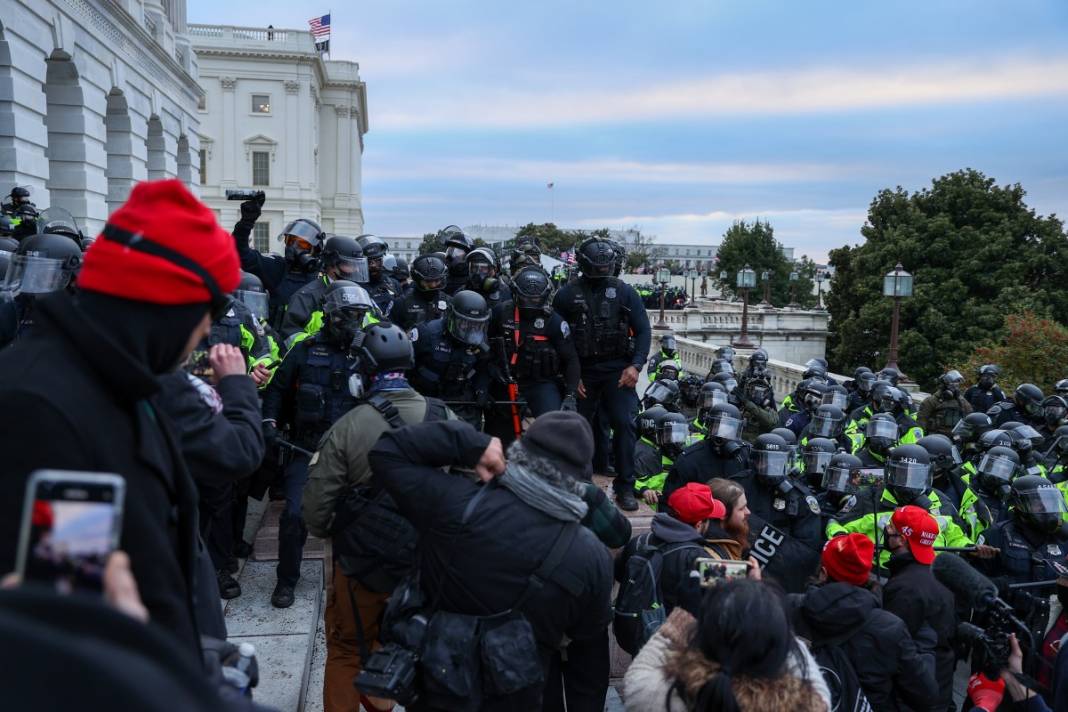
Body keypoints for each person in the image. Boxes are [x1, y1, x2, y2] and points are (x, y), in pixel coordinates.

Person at [0, 179, 240, 661]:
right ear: (174, 307)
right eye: (209, 312)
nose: (208, 331)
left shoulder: (117, 382)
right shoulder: (44, 408)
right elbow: (71, 627)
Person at [367, 413, 613, 711]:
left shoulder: (455, 504)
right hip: (520, 697)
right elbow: (587, 664)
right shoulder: (592, 557)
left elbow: (387, 452)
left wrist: (471, 443)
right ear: (580, 480)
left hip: (439, 689)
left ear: (519, 454)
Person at [301, 321, 450, 712]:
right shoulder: (444, 417)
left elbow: (316, 515)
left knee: (348, 647)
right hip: (428, 567)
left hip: (361, 568)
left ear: (363, 371)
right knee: (424, 644)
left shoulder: (346, 428)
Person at [261, 282, 368, 608]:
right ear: (332, 316)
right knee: (294, 516)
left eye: (360, 317)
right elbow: (277, 390)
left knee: (359, 514)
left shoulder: (366, 352)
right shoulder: (305, 351)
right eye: (349, 316)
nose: (355, 324)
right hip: (305, 447)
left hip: (350, 449)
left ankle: (353, 577)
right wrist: (269, 423)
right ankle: (286, 580)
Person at [157, 344, 265, 601]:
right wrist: (237, 384)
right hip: (204, 438)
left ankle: (218, 566)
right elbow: (242, 453)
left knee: (218, 508)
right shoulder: (159, 372)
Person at [624, 580, 831, 712]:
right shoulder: (808, 705)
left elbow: (640, 671)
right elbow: (802, 664)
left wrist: (685, 613)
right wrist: (769, 612)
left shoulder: (654, 697)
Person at [553, 235, 652, 511]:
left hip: (617, 370)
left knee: (625, 423)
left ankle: (625, 487)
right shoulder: (566, 295)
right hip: (581, 370)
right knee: (577, 429)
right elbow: (557, 339)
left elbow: (643, 330)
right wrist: (571, 377)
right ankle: (578, 484)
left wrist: (636, 365)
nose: (601, 272)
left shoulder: (624, 292)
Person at [790, 532, 939, 712]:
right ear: (866, 575)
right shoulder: (890, 628)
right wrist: (925, 645)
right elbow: (926, 696)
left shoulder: (789, 607)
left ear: (823, 573)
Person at [827, 444, 975, 570]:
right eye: (901, 474)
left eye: (916, 476)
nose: (908, 482)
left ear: (928, 475)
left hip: (929, 572)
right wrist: (843, 540)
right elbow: (836, 523)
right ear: (889, 473)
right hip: (881, 571)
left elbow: (956, 537)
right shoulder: (870, 496)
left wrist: (971, 549)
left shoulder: (941, 501)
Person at [486, 266, 580, 445]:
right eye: (525, 297)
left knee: (553, 427)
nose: (530, 302)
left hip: (541, 383)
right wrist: (492, 371)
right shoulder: (500, 313)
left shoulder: (554, 321)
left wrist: (570, 396)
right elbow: (485, 347)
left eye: (536, 298)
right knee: (500, 436)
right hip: (506, 381)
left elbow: (571, 360)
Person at [881, 505, 958, 710]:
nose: (886, 531)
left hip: (914, 696)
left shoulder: (905, 587)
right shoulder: (941, 576)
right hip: (940, 685)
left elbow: (893, 646)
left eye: (890, 528)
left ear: (902, 539)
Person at [617, 483, 729, 620]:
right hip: (668, 634)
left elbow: (619, 573)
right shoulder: (698, 558)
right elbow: (727, 593)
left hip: (635, 629)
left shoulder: (639, 541)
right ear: (699, 524)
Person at [230, 195, 323, 330]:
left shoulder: (325, 276)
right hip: (277, 343)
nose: (294, 248)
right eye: (290, 241)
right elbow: (240, 253)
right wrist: (246, 222)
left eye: (302, 244)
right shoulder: (278, 269)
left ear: (316, 249)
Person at [409, 289, 493, 429]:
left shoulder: (481, 340)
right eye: (464, 324)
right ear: (451, 317)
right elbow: (406, 367)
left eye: (476, 325)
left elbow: (483, 367)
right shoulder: (426, 334)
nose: (470, 329)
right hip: (427, 400)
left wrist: (482, 389)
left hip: (461, 400)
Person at [977, 475, 1068, 587]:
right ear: (1018, 504)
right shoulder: (996, 535)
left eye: (1050, 501)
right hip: (1011, 603)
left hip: (1055, 603)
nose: (1045, 507)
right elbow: (976, 583)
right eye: (1037, 502)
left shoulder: (1063, 536)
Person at [278, 235, 370, 344]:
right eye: (349, 264)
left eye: (357, 265)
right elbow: (290, 334)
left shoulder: (360, 294)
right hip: (318, 358)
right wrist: (314, 344)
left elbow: (374, 322)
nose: (355, 269)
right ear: (332, 263)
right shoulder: (306, 297)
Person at [664, 403, 749, 505]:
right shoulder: (689, 459)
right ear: (709, 427)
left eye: (729, 429)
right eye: (718, 428)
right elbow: (670, 500)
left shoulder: (745, 454)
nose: (723, 434)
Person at [391, 253, 450, 330]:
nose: (433, 285)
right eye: (428, 281)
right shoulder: (401, 303)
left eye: (437, 280)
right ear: (417, 279)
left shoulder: (449, 301)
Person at [918, 369, 972, 436]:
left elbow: (969, 418)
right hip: (936, 437)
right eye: (953, 383)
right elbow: (921, 421)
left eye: (957, 383)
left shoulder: (961, 401)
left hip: (956, 438)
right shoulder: (931, 401)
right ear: (945, 385)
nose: (956, 386)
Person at [356, 234, 399, 317]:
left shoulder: (393, 284)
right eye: (368, 261)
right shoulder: (354, 287)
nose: (373, 265)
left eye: (377, 260)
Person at [465, 246, 512, 311]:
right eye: (474, 267)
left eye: (484, 268)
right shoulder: (464, 290)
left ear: (495, 270)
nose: (478, 273)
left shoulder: (505, 293)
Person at [438, 225, 474, 296]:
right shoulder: (441, 279)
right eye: (450, 250)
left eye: (457, 252)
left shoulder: (473, 282)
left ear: (468, 256)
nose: (451, 255)